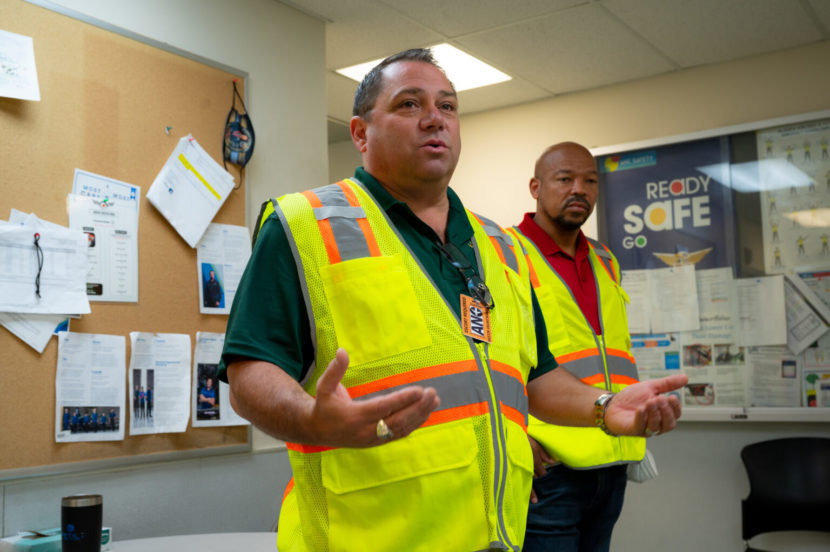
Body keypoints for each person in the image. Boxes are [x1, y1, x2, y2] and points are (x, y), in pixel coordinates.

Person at [219, 48, 687, 552]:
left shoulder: (500, 247)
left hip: (497, 537)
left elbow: (536, 376)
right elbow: (250, 375)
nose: (433, 120)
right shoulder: (305, 225)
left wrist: (604, 406)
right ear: (360, 133)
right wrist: (310, 417)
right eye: (408, 105)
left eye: (447, 106)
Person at [511, 142, 643, 552]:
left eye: (590, 181)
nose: (579, 190)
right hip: (549, 465)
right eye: (565, 179)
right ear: (536, 186)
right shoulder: (505, 255)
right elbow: (490, 358)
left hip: (611, 457)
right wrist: (513, 434)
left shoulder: (604, 258)